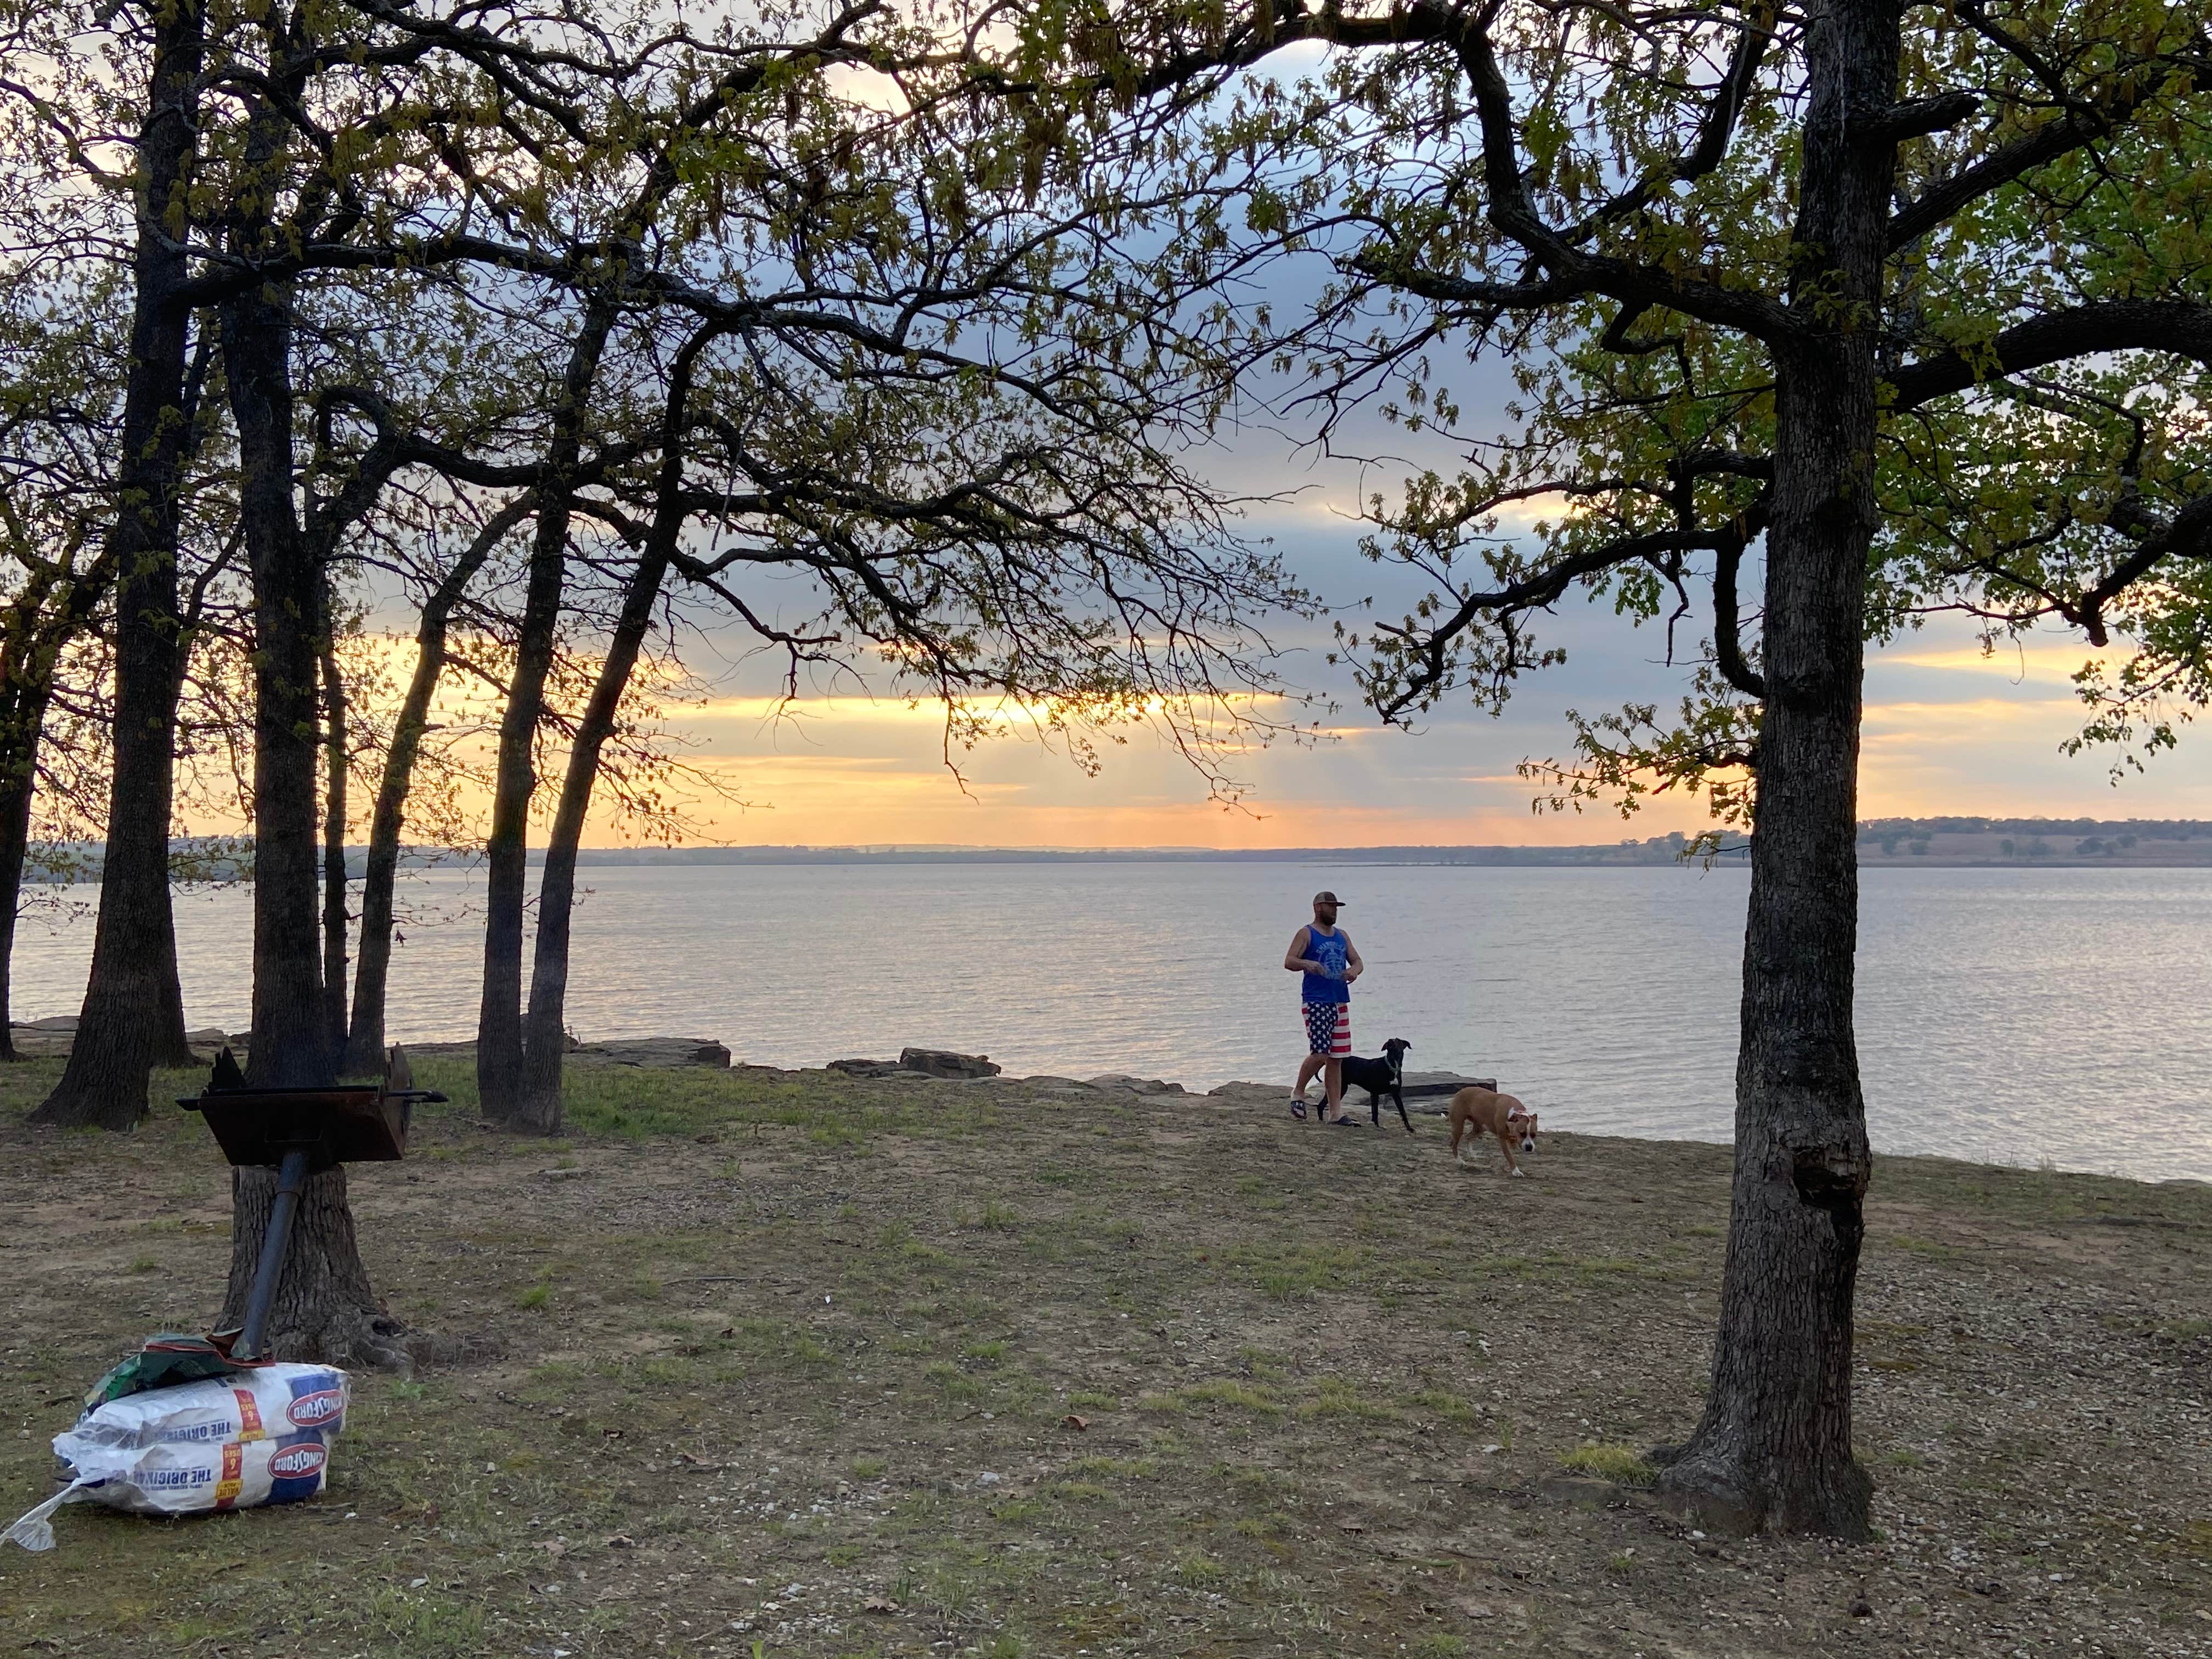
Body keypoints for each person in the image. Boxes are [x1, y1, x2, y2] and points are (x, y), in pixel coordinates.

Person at [1284, 890, 1362, 1125]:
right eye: (1330, 907)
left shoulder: (1342, 936)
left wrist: (1353, 972)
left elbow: (1358, 961)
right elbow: (1289, 961)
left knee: (1337, 1058)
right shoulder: (1306, 934)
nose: (1334, 911)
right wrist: (1307, 963)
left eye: (1336, 907)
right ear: (1318, 908)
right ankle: (1298, 1092)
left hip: (1339, 1000)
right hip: (1316, 1001)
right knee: (1321, 1053)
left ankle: (1335, 1113)